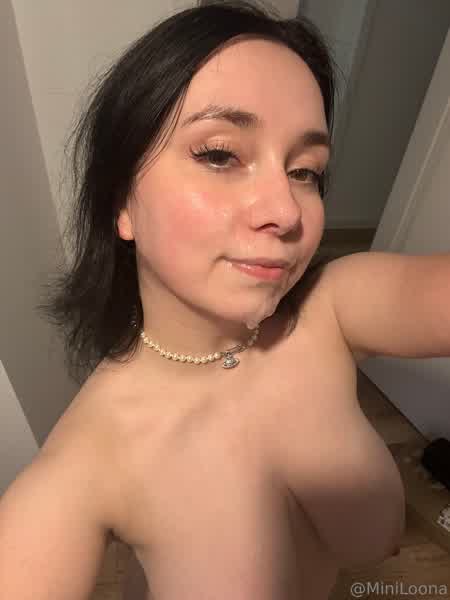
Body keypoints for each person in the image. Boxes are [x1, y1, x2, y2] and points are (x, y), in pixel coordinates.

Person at [0, 1, 404, 599]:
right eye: (220, 154)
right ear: (121, 202)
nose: (287, 211)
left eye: (305, 171)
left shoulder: (333, 309)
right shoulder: (87, 463)